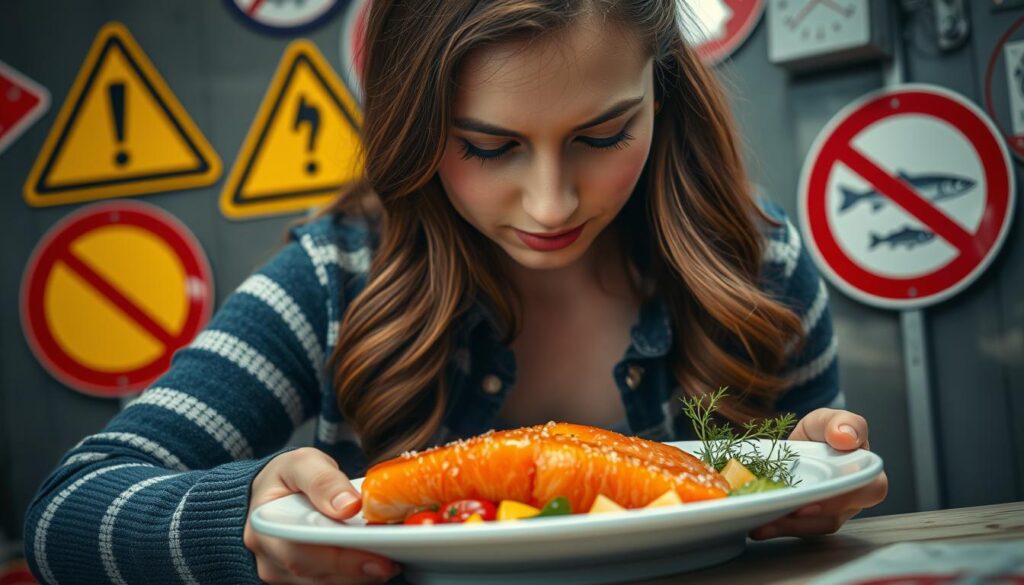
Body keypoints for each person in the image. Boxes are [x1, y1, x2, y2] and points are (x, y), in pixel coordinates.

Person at [23, 1, 888, 583]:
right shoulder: (335, 281)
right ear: (415, 126)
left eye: (603, 133)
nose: (552, 203)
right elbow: (65, 511)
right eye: (486, 146)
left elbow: (822, 530)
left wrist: (812, 476)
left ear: (661, 94)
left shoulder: (759, 266)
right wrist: (244, 521)